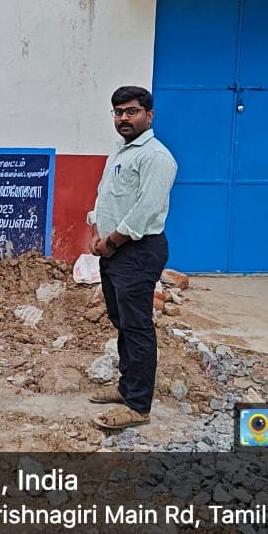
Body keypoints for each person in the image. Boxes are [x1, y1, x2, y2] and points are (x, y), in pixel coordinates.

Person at [86, 86, 178, 430]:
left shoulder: (156, 157)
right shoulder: (121, 151)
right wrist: (98, 229)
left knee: (137, 327)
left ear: (149, 115)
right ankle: (128, 388)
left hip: (137, 251)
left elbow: (145, 211)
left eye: (131, 111)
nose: (123, 118)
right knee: (122, 320)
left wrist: (112, 241)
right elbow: (109, 197)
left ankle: (138, 407)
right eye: (118, 112)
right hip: (113, 250)